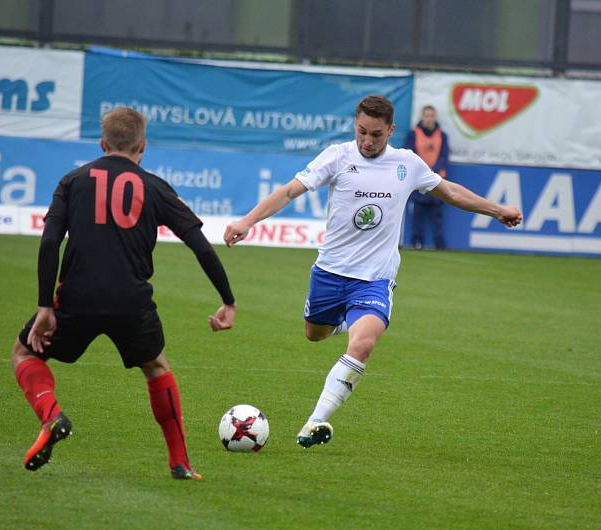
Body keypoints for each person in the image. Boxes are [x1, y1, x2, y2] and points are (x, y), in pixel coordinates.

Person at [223, 95, 521, 449]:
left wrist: (496, 210)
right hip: (330, 273)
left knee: (363, 344)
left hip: (375, 279)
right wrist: (248, 221)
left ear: (391, 131)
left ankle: (315, 421)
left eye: (376, 135)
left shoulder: (407, 164)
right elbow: (290, 191)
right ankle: (346, 320)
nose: (367, 141)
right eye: (362, 132)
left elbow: (450, 192)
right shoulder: (337, 157)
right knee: (314, 334)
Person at [11, 107, 236, 480]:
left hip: (76, 298)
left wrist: (44, 306)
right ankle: (180, 462)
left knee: (23, 353)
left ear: (102, 144)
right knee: (156, 367)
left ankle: (51, 416)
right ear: (142, 146)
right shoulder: (155, 186)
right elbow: (199, 245)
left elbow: (50, 241)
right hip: (131, 301)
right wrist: (227, 299)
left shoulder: (73, 181)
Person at [404, 105, 448, 250]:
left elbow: (444, 157)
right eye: (426, 115)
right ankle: (417, 242)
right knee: (418, 214)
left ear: (435, 117)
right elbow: (410, 154)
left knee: (437, 215)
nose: (429, 118)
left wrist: (432, 171)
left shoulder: (442, 136)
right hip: (418, 179)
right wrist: (423, 171)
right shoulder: (413, 134)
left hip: (438, 179)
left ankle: (439, 244)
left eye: (431, 115)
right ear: (422, 117)